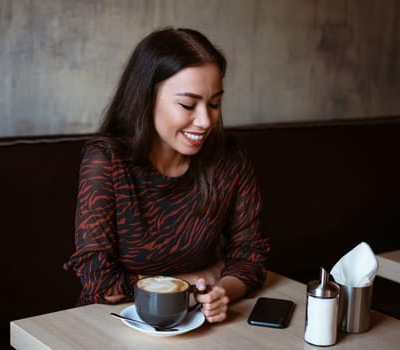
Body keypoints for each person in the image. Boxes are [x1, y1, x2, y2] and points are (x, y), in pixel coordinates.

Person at [64, 27, 270, 323]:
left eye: (214, 104)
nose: (205, 121)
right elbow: (101, 285)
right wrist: (200, 277)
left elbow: (251, 257)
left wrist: (222, 291)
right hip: (108, 323)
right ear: (146, 98)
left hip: (197, 324)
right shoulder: (106, 161)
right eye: (188, 105)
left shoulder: (230, 158)